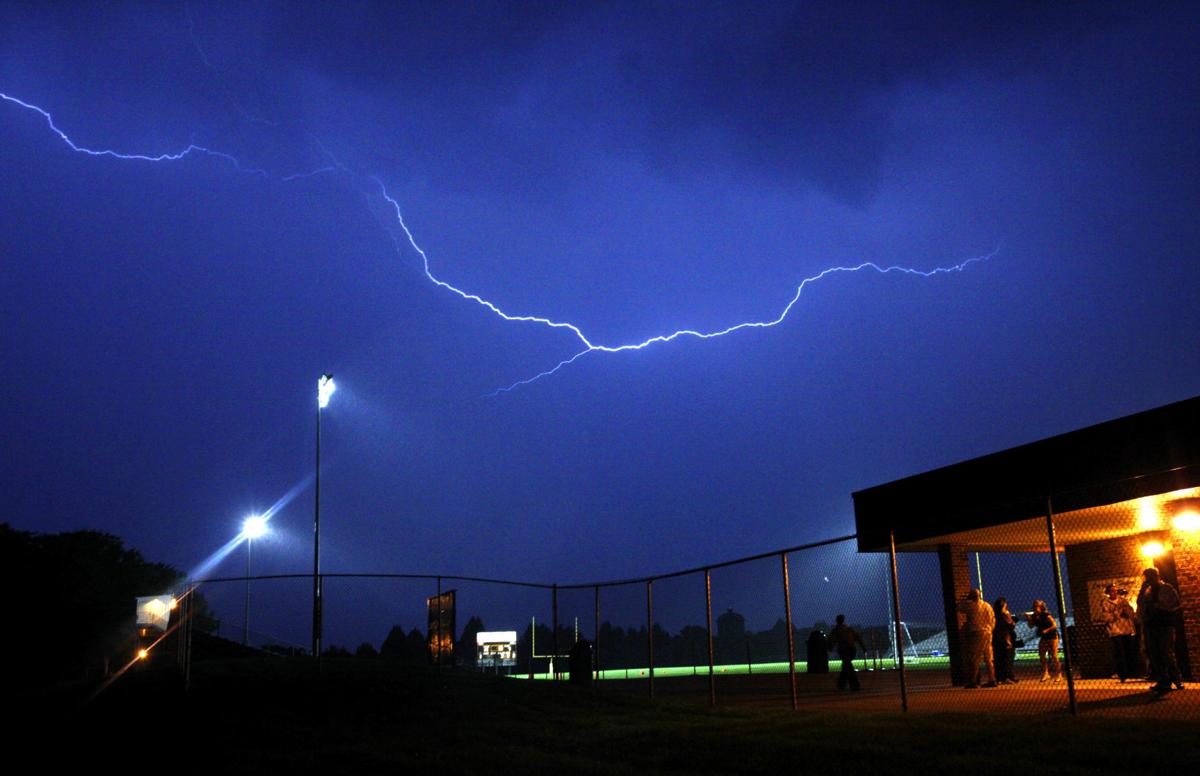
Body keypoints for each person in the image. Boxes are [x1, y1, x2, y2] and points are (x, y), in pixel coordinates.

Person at [1137, 567, 1183, 694]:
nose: (1147, 580)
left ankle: (1177, 679)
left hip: (1164, 625)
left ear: (1155, 576)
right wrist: (1142, 590)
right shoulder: (1147, 590)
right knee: (1155, 655)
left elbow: (1176, 603)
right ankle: (1164, 681)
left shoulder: (1166, 588)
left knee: (1167, 653)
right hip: (1151, 626)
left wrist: (1161, 606)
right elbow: (1140, 604)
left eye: (1148, 577)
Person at [1100, 583, 1138, 682]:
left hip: (1126, 629)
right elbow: (1106, 618)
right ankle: (1123, 674)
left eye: (1115, 590)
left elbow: (1131, 612)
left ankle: (1132, 672)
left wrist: (1127, 611)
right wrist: (1117, 612)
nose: (1114, 592)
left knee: (1129, 651)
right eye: (1112, 590)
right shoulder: (1106, 603)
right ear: (1108, 593)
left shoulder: (1123, 600)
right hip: (1115, 631)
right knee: (1119, 653)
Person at [957, 589, 996, 688]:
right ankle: (992, 679)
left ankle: (973, 681)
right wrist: (990, 629)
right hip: (988, 632)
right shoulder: (987, 605)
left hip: (977, 632)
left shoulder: (971, 605)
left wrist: (965, 599)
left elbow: (958, 607)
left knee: (975, 657)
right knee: (988, 657)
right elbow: (993, 619)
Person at [826, 614, 864, 691]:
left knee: (847, 666)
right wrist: (863, 648)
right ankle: (845, 684)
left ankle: (850, 685)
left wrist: (830, 647)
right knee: (846, 666)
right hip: (851, 650)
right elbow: (858, 637)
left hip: (844, 650)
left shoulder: (836, 630)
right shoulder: (848, 629)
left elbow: (831, 640)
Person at [1027, 600, 1060, 681]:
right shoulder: (1034, 616)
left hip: (1052, 636)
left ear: (1040, 607)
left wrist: (1046, 630)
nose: (1034, 608)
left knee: (1054, 655)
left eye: (1036, 606)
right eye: (1034, 606)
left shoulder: (1046, 614)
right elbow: (1030, 626)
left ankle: (1059, 674)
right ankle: (1046, 673)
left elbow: (1054, 625)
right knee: (1041, 655)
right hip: (1044, 637)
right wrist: (1029, 619)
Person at [992, 597, 1018, 684]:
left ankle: (1000, 677)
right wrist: (1011, 619)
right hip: (1005, 639)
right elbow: (1011, 626)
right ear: (1003, 605)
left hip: (996, 639)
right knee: (1008, 658)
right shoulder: (1005, 614)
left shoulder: (994, 614)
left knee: (998, 659)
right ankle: (1008, 677)